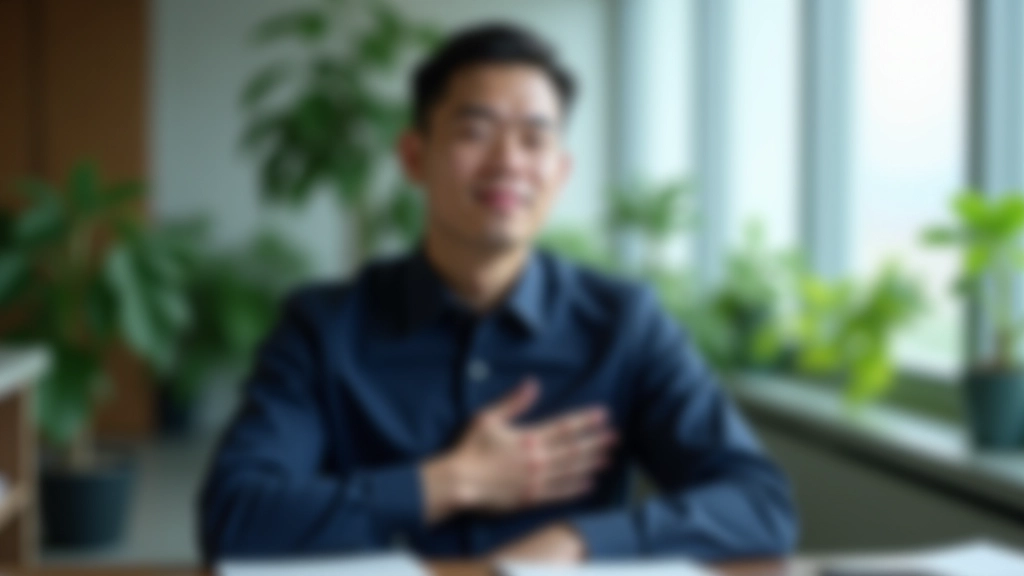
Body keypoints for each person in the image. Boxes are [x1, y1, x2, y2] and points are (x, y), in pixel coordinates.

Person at [199, 22, 797, 564]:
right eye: (476, 132)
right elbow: (234, 516)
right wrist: (451, 482)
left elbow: (760, 504)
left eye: (535, 140)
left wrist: (579, 540)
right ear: (414, 156)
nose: (508, 162)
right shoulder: (323, 326)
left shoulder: (624, 323)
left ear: (559, 173)